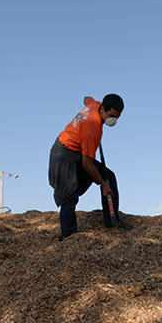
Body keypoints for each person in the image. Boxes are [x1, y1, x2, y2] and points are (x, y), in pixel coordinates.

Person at [48, 94, 130, 241]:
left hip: (78, 151)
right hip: (64, 153)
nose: (113, 120)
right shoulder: (92, 129)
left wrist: (87, 103)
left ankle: (111, 220)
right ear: (103, 109)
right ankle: (68, 235)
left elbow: (87, 98)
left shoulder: (94, 105)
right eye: (111, 116)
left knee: (109, 176)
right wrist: (103, 185)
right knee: (69, 195)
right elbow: (87, 163)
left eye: (117, 117)